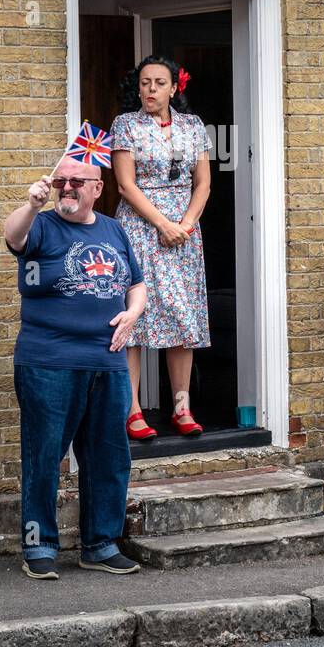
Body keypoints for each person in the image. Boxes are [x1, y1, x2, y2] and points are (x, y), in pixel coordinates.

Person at [3, 156, 148, 579]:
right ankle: (40, 545)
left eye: (76, 182)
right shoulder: (42, 225)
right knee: (44, 456)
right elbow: (13, 237)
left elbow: (136, 283)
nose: (66, 188)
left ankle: (101, 544)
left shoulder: (113, 229)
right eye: (61, 181)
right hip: (48, 362)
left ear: (96, 189)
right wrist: (31, 205)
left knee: (108, 456)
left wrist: (133, 313)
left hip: (108, 362)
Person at [110, 56, 211, 440]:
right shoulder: (126, 125)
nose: (150, 89)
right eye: (145, 82)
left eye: (159, 82)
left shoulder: (193, 126)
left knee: (182, 315)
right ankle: (132, 409)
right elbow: (125, 184)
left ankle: (181, 407)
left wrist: (184, 224)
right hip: (140, 227)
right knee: (137, 315)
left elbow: (202, 183)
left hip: (184, 231)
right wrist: (162, 224)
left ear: (174, 88)